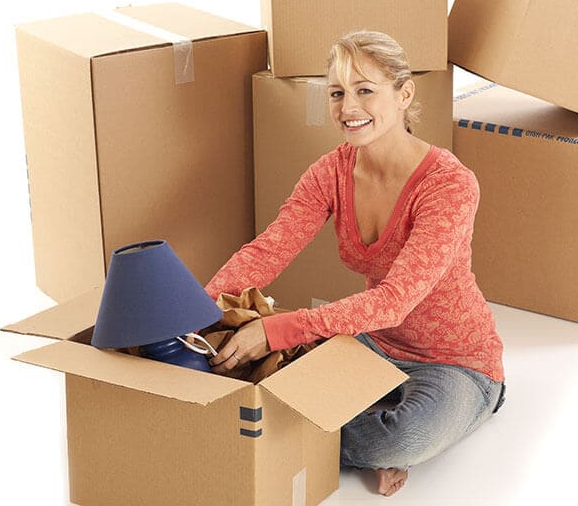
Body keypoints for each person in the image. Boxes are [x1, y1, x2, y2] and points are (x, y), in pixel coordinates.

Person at [204, 30, 505, 497]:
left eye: (365, 90)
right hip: (370, 342)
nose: (348, 108)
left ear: (404, 94)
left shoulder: (449, 184)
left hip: (455, 362)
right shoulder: (330, 172)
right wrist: (200, 307)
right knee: (267, 377)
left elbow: (394, 301)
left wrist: (279, 328)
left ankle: (376, 441)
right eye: (338, 93)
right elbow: (269, 249)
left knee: (402, 436)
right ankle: (360, 438)